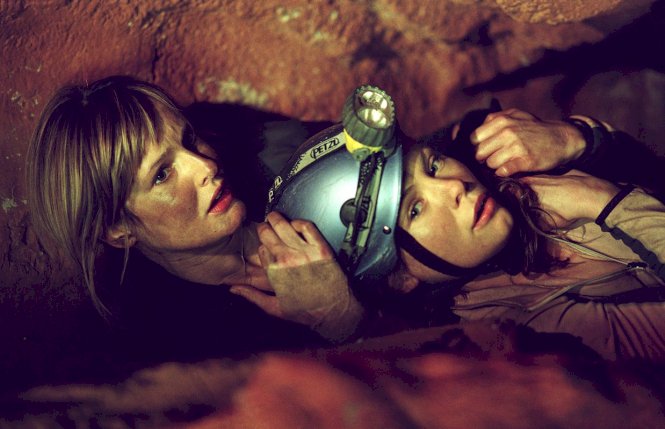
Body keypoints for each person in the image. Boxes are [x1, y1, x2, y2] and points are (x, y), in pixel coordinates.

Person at [267, 99, 665, 361]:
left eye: (433, 165)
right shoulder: (526, 326)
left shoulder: (512, 175)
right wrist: (602, 200)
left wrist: (579, 139)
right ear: (400, 279)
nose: (454, 187)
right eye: (415, 209)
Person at [25, 76, 363, 360]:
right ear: (118, 230)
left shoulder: (273, 160)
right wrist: (340, 319)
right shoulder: (163, 344)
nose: (206, 166)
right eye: (162, 174)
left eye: (189, 139)